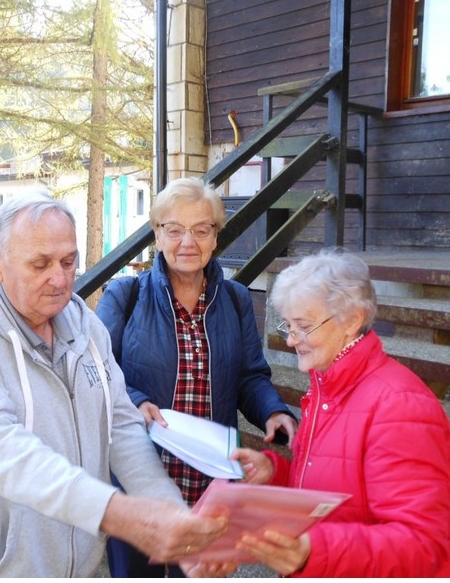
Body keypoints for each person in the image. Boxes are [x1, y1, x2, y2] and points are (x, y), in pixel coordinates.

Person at [0, 192, 229, 578]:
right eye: (40, 264)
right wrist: (115, 512)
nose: (60, 280)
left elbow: (122, 428)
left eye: (69, 261)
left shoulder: (86, 326)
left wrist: (175, 519)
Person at [96, 177, 298, 577]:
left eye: (201, 229)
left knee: (207, 572)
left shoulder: (236, 300)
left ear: (215, 237)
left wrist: (273, 411)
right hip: (143, 476)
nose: (188, 241)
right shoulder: (125, 296)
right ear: (157, 234)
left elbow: (249, 377)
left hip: (211, 478)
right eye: (174, 229)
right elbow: (100, 376)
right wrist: (136, 399)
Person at [229, 249, 450, 577]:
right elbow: (335, 483)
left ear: (352, 320)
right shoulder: (328, 386)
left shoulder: (399, 406)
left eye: (303, 326)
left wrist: (313, 550)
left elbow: (422, 543)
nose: (290, 340)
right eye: (289, 325)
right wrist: (275, 474)